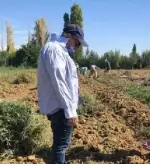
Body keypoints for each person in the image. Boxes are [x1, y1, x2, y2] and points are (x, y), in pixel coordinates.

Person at [37, 24, 88, 164]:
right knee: (61, 146)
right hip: (61, 107)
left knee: (59, 145)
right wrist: (70, 111)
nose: (77, 47)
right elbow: (59, 81)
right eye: (77, 43)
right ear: (69, 36)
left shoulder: (60, 50)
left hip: (61, 106)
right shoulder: (54, 50)